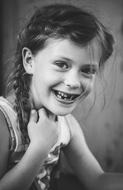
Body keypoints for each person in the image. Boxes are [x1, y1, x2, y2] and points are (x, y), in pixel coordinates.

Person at [0, 3, 122, 190]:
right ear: (29, 61)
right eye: (61, 64)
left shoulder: (67, 125)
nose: (73, 82)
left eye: (87, 70)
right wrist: (39, 148)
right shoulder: (3, 121)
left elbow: (98, 180)